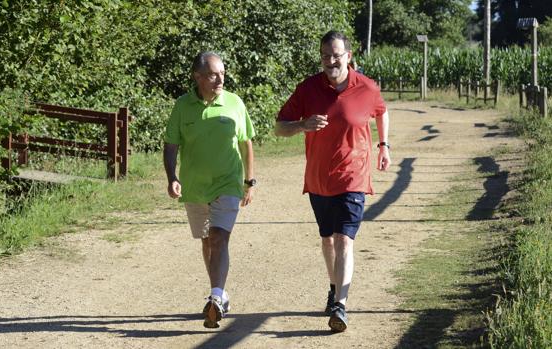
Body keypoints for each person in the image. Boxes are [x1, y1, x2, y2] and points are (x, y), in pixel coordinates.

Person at [274, 30, 390, 333]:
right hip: (318, 179)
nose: (330, 60)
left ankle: (341, 304)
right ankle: (334, 286)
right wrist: (302, 125)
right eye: (325, 55)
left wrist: (384, 145)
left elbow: (381, 111)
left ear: (348, 56)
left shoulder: (366, 87)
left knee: (343, 240)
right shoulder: (308, 88)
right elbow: (279, 128)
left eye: (336, 54)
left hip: (353, 175)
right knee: (327, 239)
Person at [163, 51, 256, 329]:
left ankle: (215, 296)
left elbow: (246, 142)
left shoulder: (234, 103)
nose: (220, 79)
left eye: (223, 74)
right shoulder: (182, 106)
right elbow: (171, 145)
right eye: (214, 74)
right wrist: (172, 177)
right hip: (194, 187)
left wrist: (250, 181)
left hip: (228, 183)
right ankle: (219, 293)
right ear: (198, 76)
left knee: (218, 238)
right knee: (206, 240)